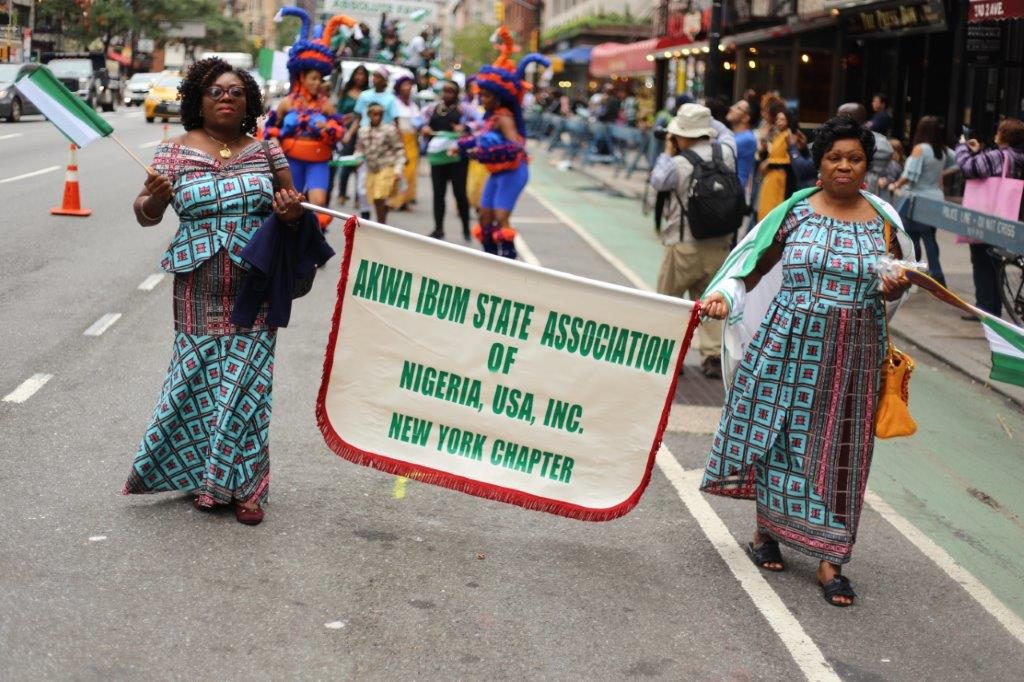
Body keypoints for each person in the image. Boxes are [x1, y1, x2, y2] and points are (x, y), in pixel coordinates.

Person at [700, 115, 914, 607]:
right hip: (785, 342)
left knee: (842, 449)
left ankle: (831, 560)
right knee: (779, 437)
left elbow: (901, 281)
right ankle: (765, 535)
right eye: (835, 157)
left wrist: (894, 287)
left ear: (867, 166)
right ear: (818, 162)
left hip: (853, 352)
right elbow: (750, 269)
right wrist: (724, 300)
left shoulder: (884, 223)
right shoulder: (793, 213)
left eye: (854, 158)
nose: (844, 166)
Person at [122, 58, 307, 525]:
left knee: (248, 384)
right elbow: (144, 214)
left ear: (249, 103)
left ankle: (247, 489)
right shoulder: (171, 154)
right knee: (198, 381)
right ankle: (203, 473)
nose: (226, 98)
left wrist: (289, 214)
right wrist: (157, 198)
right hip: (196, 286)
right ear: (197, 102)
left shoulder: (267, 153)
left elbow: (298, 214)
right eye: (215, 91)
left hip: (257, 284)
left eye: (236, 92)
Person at [649, 104, 737, 379]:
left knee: (670, 301)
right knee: (710, 301)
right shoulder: (727, 152)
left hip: (683, 242)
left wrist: (666, 149)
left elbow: (657, 182)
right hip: (720, 242)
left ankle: (670, 356)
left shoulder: (677, 163)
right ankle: (711, 356)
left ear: (680, 135)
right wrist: (707, 116)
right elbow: (724, 132)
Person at [457, 27, 548, 259]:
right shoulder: (491, 117)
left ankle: (507, 261)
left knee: (500, 216)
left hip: (513, 171)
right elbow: (480, 139)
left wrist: (484, 154)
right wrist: (463, 145)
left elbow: (516, 147)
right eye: (481, 94)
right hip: (497, 172)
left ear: (498, 96)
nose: (482, 98)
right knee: (484, 216)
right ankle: (491, 259)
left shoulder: (504, 116)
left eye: (486, 95)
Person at [263, 8, 354, 231]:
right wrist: (274, 139)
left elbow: (340, 130)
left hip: (318, 161)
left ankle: (312, 242)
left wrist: (328, 127)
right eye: (312, 78)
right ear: (302, 77)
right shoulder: (288, 103)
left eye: (319, 78)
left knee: (319, 204)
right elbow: (270, 127)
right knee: (289, 204)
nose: (316, 83)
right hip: (291, 161)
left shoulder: (326, 105)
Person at [955, 118, 1024, 318]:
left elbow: (968, 167)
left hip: (989, 215)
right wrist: (979, 152)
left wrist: (962, 147)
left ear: (1004, 136)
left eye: (999, 131)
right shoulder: (1015, 156)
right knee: (995, 261)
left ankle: (985, 308)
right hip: (1011, 217)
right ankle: (993, 308)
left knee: (982, 259)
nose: (995, 134)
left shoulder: (999, 156)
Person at [889, 115, 956, 286]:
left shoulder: (920, 148)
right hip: (936, 198)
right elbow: (959, 162)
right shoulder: (942, 150)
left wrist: (894, 185)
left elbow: (909, 175)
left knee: (912, 237)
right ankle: (937, 273)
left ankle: (913, 272)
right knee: (930, 238)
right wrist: (941, 174)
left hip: (917, 199)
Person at [421, 80, 474, 240]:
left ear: (457, 93)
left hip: (457, 157)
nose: (447, 94)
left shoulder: (464, 109)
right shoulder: (433, 108)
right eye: (444, 91)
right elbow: (418, 120)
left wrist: (465, 128)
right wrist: (424, 128)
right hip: (438, 157)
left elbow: (479, 122)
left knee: (460, 193)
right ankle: (438, 228)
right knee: (438, 193)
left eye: (450, 91)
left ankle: (466, 228)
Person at [755, 108, 810, 221]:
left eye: (782, 119)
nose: (779, 122)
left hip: (781, 178)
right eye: (778, 119)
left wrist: (770, 162)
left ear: (789, 121)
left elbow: (790, 160)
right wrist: (764, 151)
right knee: (765, 209)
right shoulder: (778, 135)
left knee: (773, 210)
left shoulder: (789, 136)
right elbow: (772, 155)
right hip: (770, 177)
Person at [356, 101, 405, 223]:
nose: (377, 117)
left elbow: (399, 149)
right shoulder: (363, 131)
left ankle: (381, 224)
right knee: (372, 197)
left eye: (379, 114)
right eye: (374, 114)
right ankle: (381, 221)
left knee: (379, 196)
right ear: (369, 115)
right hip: (371, 167)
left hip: (386, 165)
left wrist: (398, 169)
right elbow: (359, 149)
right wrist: (356, 159)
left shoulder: (389, 130)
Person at [836, 102, 893, 195]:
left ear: (849, 117)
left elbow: (884, 154)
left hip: (865, 191)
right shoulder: (835, 138)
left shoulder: (877, 141)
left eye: (839, 117)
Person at [334, 64, 370, 205]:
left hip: (363, 130)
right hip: (347, 130)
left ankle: (358, 197)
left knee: (360, 164)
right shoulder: (346, 91)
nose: (359, 77)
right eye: (357, 74)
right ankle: (342, 194)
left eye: (363, 74)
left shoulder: (367, 93)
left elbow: (363, 113)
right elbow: (338, 112)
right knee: (346, 161)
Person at [388, 76, 422, 211]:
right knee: (397, 169)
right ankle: (392, 200)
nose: (407, 88)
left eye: (410, 85)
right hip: (398, 138)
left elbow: (418, 121)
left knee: (411, 171)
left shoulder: (413, 105)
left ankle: (405, 200)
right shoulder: (394, 103)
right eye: (404, 85)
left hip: (412, 139)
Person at [727, 97, 758, 193]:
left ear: (746, 118)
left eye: (738, 108)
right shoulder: (733, 135)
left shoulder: (747, 138)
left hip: (735, 192)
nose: (731, 108)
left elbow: (720, 149)